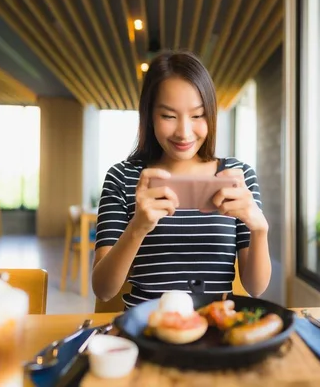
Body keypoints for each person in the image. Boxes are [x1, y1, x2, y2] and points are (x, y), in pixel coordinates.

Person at [92, 50, 271, 308]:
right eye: (168, 116)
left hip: (215, 331)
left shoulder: (236, 177)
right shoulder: (123, 177)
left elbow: (256, 287)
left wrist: (259, 229)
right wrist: (138, 227)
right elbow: (104, 289)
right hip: (147, 330)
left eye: (197, 115)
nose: (184, 132)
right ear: (149, 116)